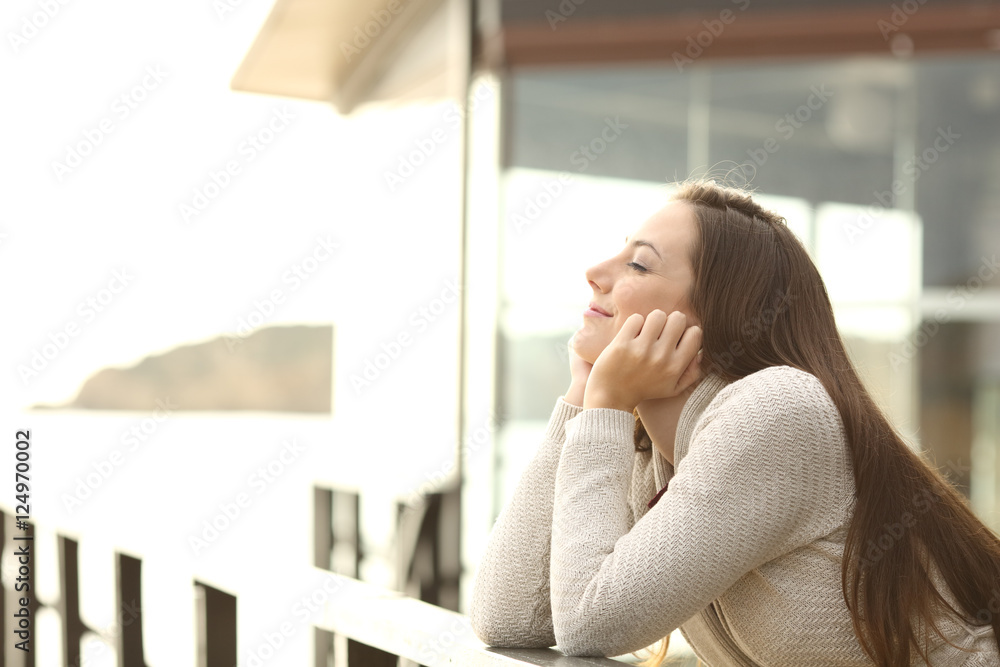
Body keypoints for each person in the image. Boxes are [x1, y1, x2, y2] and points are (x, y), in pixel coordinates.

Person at [468, 179, 1000, 666]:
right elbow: (507, 617)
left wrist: (605, 403)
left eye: (639, 265)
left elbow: (591, 626)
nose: (595, 272)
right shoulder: (650, 456)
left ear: (716, 313)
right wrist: (582, 397)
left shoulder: (780, 411)